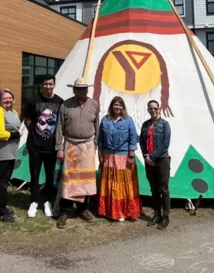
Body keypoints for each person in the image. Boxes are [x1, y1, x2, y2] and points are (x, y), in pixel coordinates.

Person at [55, 77, 99, 229]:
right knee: (70, 180)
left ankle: (83, 209)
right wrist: (59, 148)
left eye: (84, 88)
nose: (82, 91)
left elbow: (97, 125)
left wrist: (95, 144)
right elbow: (59, 127)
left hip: (87, 145)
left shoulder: (94, 104)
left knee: (85, 180)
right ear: (73, 90)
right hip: (71, 145)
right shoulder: (65, 105)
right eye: (79, 88)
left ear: (88, 89)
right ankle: (65, 211)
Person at [23, 74, 63, 218]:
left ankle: (47, 202)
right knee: (34, 176)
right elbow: (27, 121)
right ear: (42, 85)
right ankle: (34, 201)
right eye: (45, 84)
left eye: (50, 84)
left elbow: (61, 124)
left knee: (50, 177)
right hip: (35, 146)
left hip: (51, 147)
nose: (48, 87)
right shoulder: (32, 100)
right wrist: (36, 133)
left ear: (54, 85)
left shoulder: (59, 102)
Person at [98, 96, 141, 222]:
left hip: (123, 155)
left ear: (123, 107)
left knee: (122, 184)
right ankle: (108, 210)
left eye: (120, 105)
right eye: (115, 105)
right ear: (111, 106)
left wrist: (131, 155)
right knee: (109, 183)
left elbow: (133, 138)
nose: (117, 107)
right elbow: (101, 139)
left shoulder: (128, 121)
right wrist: (100, 154)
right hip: (108, 155)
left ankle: (122, 211)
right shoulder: (105, 120)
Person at [0, 89, 22, 223]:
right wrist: (16, 134)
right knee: (1, 184)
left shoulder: (13, 112)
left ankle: (0, 208)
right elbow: (0, 133)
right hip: (0, 154)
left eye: (10, 98)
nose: (8, 100)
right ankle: (0, 212)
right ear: (0, 100)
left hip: (11, 153)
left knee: (4, 183)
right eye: (5, 98)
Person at [139, 100, 171, 230]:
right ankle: (157, 214)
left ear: (159, 109)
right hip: (149, 161)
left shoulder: (165, 124)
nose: (152, 110)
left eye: (155, 108)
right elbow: (142, 142)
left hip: (162, 160)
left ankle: (166, 216)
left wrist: (152, 156)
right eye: (150, 108)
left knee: (163, 188)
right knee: (153, 189)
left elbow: (165, 144)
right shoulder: (145, 125)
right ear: (148, 110)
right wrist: (146, 156)